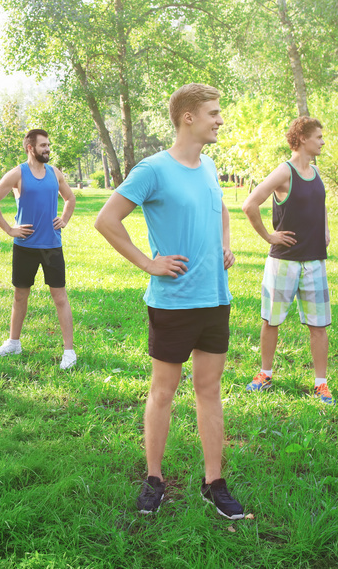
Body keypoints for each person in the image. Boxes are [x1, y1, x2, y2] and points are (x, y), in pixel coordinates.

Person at [94, 83, 244, 520]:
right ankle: (155, 479)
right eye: (213, 113)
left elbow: (220, 209)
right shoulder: (153, 169)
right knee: (163, 392)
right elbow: (107, 219)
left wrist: (224, 244)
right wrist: (148, 263)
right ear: (189, 118)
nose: (219, 120)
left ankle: (213, 481)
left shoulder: (211, 166)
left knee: (209, 391)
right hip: (173, 302)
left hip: (215, 297)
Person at [241, 117, 333, 404]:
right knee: (272, 321)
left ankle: (321, 384)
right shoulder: (284, 172)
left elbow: (320, 205)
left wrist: (326, 229)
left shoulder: (316, 172)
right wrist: (269, 236)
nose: (322, 141)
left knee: (319, 326)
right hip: (284, 262)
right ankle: (264, 375)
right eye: (318, 136)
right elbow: (249, 204)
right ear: (303, 139)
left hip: (315, 261)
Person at [0, 128, 78, 369]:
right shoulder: (17, 174)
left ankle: (69, 351)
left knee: (60, 297)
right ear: (30, 148)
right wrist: (9, 229)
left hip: (52, 246)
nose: (48, 149)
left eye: (48, 145)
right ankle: (13, 343)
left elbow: (70, 198)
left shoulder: (54, 173)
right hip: (24, 246)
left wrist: (64, 219)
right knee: (19, 295)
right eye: (43, 145)